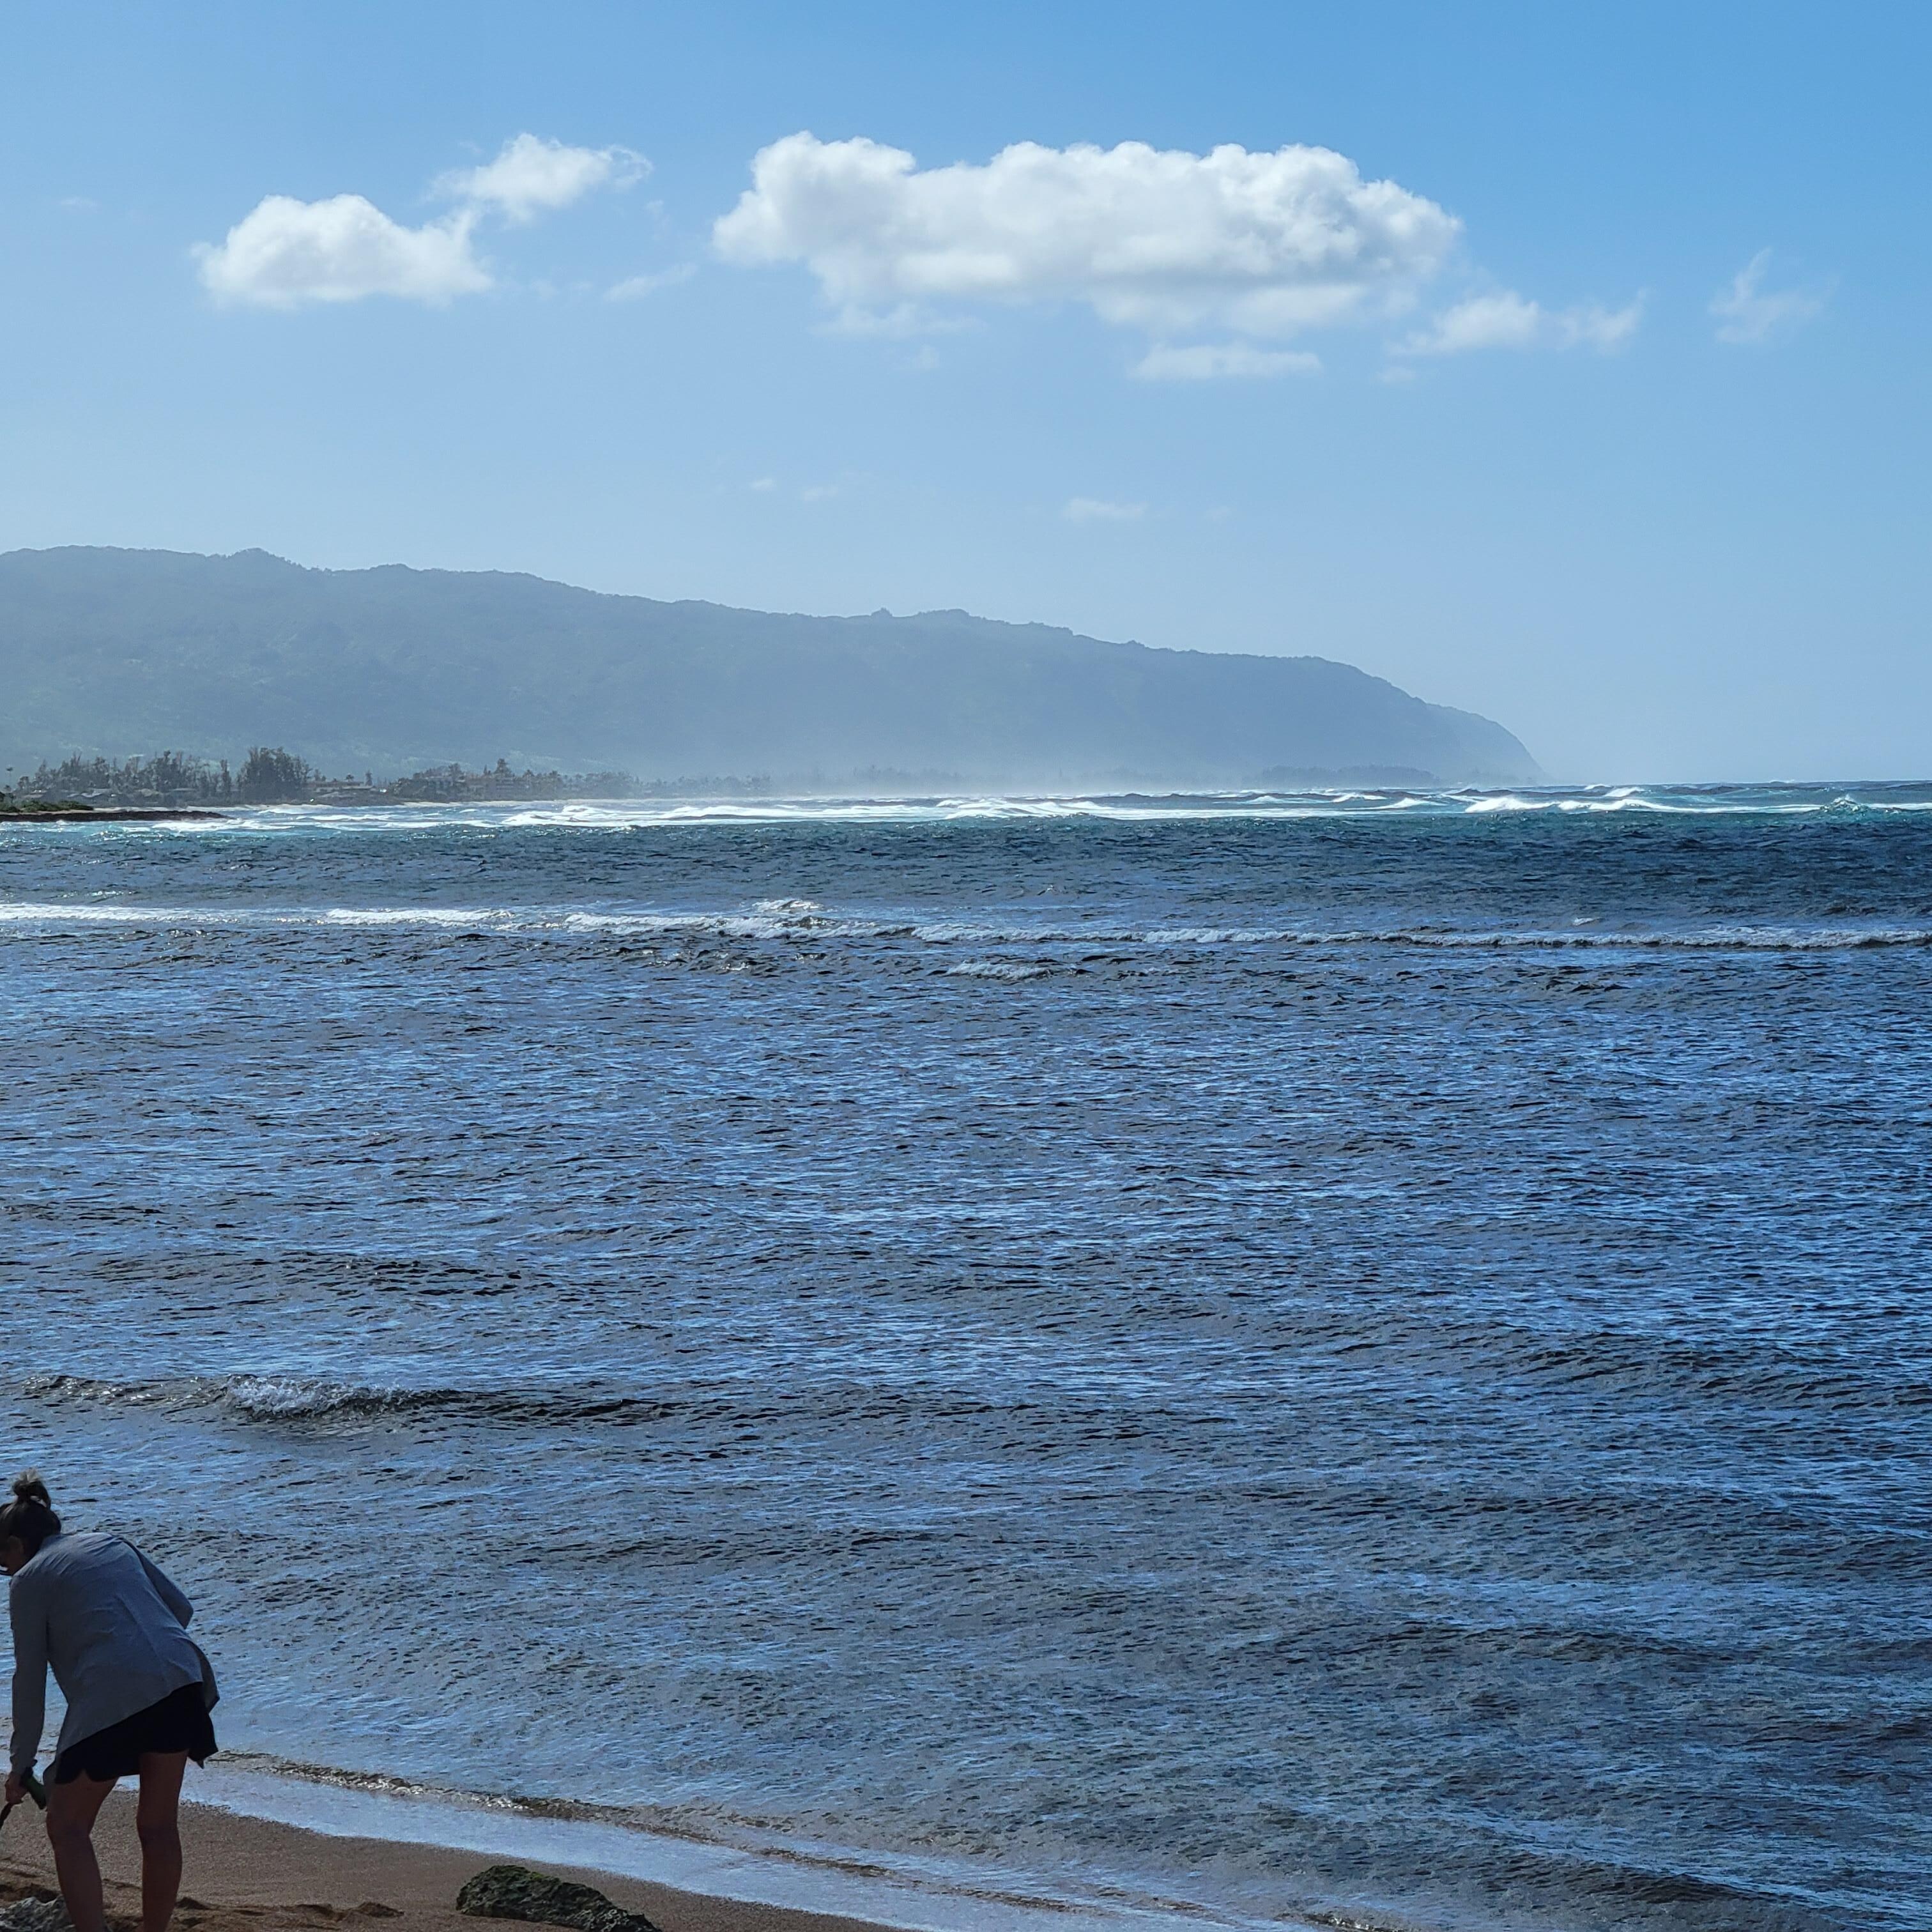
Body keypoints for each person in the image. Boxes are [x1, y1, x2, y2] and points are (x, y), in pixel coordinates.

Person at [3, 1473, 218, 1932]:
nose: (5, 1573)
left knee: (67, 1825)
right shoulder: (108, 1542)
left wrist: (20, 1765)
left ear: (18, 1545)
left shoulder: (28, 1580)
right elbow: (179, 1608)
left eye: (1, 1561)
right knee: (158, 1826)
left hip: (114, 1690)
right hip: (181, 1678)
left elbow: (29, 1681)